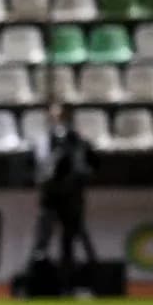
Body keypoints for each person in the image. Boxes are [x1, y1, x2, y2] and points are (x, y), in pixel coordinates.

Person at [31, 102, 100, 286]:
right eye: (54, 116)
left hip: (72, 197)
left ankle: (72, 281)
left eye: (60, 116)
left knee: (71, 239)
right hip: (49, 196)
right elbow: (35, 167)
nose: (57, 120)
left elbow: (92, 164)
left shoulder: (77, 141)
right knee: (42, 238)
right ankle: (38, 281)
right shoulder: (43, 140)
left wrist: (80, 176)